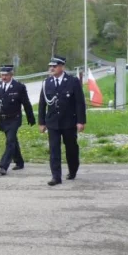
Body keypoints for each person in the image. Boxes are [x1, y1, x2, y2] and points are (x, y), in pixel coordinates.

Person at [38, 55, 87, 186]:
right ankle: (56, 176)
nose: (52, 68)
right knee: (54, 150)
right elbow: (42, 104)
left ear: (62, 67)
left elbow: (79, 103)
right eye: (50, 66)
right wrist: (41, 122)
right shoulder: (46, 83)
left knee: (71, 149)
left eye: (54, 66)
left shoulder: (72, 81)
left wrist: (81, 121)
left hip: (69, 122)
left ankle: (73, 169)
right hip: (53, 122)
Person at [0, 65, 35, 176]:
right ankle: (19, 162)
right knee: (13, 141)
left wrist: (30, 117)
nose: (4, 77)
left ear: (11, 74)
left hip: (14, 119)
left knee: (10, 141)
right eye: (2, 75)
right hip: (3, 119)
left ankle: (3, 166)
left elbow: (26, 103)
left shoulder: (19, 87)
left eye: (6, 75)